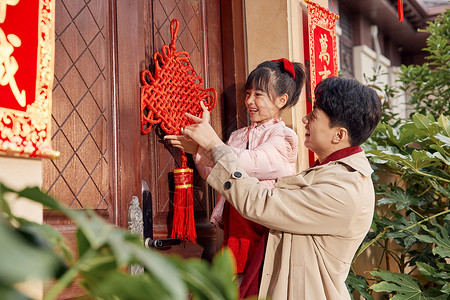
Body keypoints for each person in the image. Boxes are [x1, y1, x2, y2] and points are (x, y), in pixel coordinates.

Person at [178, 76, 382, 300]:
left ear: (339, 135)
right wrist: (208, 150)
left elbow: (263, 203)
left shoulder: (343, 188)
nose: (305, 120)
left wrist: (215, 146)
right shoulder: (330, 173)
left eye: (314, 116)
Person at [165, 59, 306, 297]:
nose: (249, 101)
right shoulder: (237, 136)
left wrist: (211, 144)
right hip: (235, 226)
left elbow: (249, 163)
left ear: (281, 100)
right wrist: (198, 150)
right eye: (248, 93)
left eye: (259, 94)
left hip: (262, 232)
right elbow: (215, 175)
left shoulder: (284, 137)